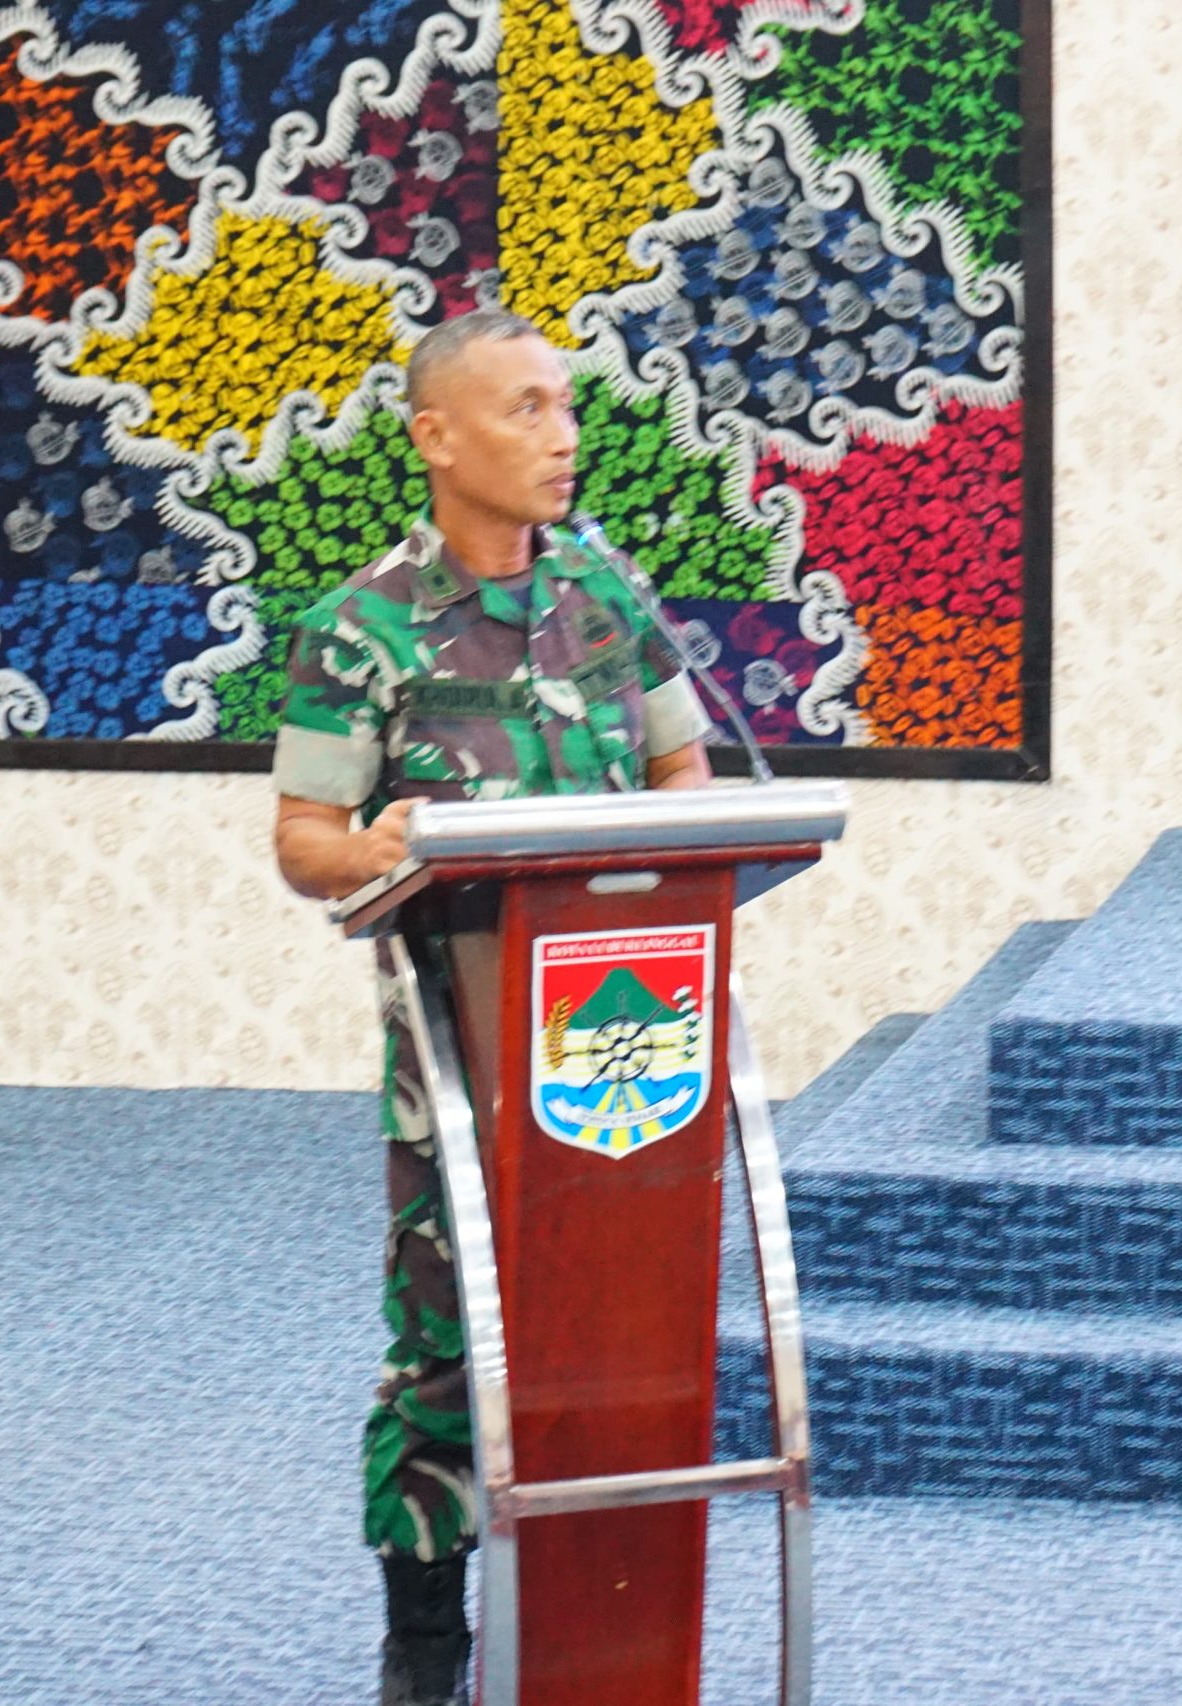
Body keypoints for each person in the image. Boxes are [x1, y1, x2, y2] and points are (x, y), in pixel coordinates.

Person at [269, 309, 714, 1706]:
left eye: (566, 406)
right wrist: (379, 844)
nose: (563, 436)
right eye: (525, 408)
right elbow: (303, 841)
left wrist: (682, 840)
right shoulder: (360, 626)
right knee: (451, 1338)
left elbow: (686, 780)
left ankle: (607, 1620)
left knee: (619, 1330)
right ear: (436, 438)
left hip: (625, 1048)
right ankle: (425, 1631)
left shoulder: (610, 598)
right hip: (459, 1053)